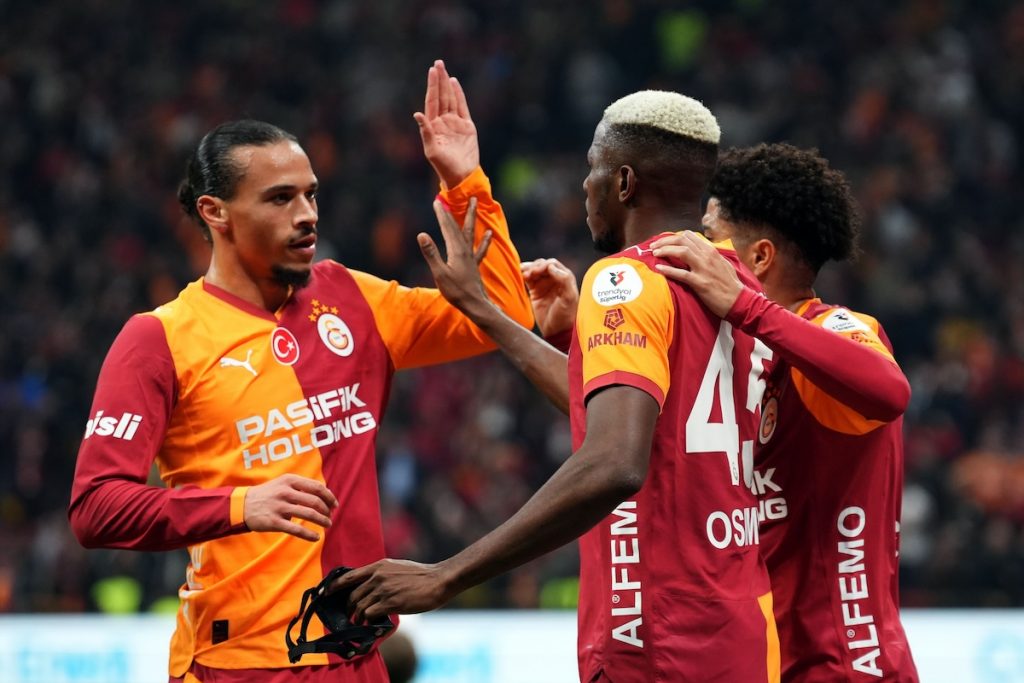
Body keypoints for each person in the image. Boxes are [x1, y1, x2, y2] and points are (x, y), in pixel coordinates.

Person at [67, 60, 534, 683]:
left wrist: (463, 180)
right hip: (239, 664)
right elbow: (96, 508)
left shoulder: (351, 298)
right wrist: (241, 504)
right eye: (280, 198)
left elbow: (500, 315)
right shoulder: (159, 339)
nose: (307, 214)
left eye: (311, 194)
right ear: (215, 212)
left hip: (358, 656)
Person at [337, 90, 782, 683]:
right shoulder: (737, 283)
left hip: (658, 638)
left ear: (624, 182)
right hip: (740, 627)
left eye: (592, 169)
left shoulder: (625, 279)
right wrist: (487, 314)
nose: (584, 186)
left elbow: (614, 462)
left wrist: (447, 574)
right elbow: (630, 426)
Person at [650, 144, 919, 681]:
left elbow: (890, 390)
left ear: (759, 259)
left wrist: (747, 306)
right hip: (770, 665)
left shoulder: (834, 328)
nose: (696, 249)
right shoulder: (744, 361)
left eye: (709, 236)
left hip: (848, 666)